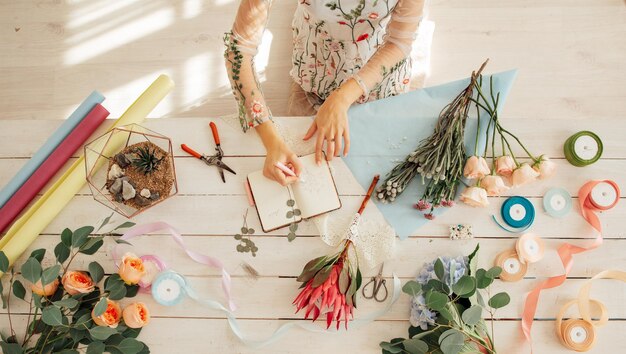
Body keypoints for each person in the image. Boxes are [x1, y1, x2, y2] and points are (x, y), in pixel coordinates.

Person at [224, 0, 425, 185]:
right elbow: (238, 50)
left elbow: (399, 42)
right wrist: (271, 141)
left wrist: (342, 97)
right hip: (314, 73)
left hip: (380, 79)